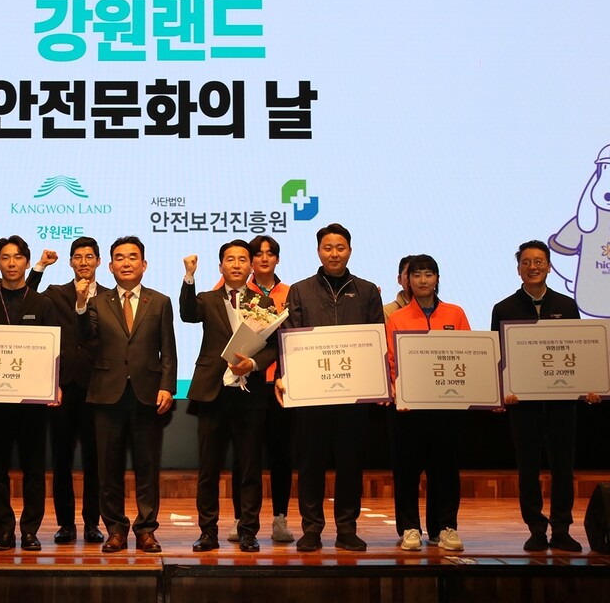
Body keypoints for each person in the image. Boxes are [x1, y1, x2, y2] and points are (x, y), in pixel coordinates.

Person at [275, 223, 383, 552]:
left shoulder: (367, 291)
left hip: (354, 393)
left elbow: (377, 339)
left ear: (349, 250)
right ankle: (312, 528)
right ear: (318, 251)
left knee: (350, 463)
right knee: (310, 463)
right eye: (327, 247)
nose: (334, 253)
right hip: (312, 393)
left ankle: (347, 528)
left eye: (340, 247)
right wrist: (284, 375)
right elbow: (289, 337)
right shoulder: (300, 290)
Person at [491, 240, 600, 553]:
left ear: (549, 267)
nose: (533, 267)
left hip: (561, 404)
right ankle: (536, 529)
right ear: (518, 269)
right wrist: (502, 391)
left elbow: (578, 350)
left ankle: (562, 529)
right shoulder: (504, 308)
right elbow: (498, 357)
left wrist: (589, 385)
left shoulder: (567, 306)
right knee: (527, 468)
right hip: (523, 406)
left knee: (563, 468)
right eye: (526, 262)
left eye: (539, 261)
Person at [77, 235, 177, 554]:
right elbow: (86, 337)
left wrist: (167, 386)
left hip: (148, 395)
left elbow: (168, 349)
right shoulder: (96, 302)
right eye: (119, 258)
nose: (126, 263)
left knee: (147, 467)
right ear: (110, 266)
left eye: (133, 257)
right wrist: (80, 305)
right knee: (109, 468)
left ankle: (146, 530)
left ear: (144, 264)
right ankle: (116, 530)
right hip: (107, 394)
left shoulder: (160, 301)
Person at [181, 240, 278, 554]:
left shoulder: (264, 302)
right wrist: (189, 276)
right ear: (221, 266)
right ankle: (208, 532)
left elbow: (273, 346)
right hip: (213, 392)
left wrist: (254, 364)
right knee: (209, 469)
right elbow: (187, 314)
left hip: (249, 393)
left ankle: (248, 531)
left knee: (249, 468)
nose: (236, 265)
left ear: (251, 266)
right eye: (230, 260)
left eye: (242, 259)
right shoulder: (207, 299)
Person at [0, 235, 59, 551]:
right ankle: (2, 530)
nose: (11, 263)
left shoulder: (42, 303)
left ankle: (30, 530)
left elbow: (54, 349)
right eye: (5, 257)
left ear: (27, 262)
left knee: (34, 469)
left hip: (33, 401)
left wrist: (54, 384)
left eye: (17, 257)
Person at [385, 254, 471, 553]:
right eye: (417, 275)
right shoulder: (396, 318)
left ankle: (444, 527)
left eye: (428, 274)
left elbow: (468, 354)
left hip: (447, 406)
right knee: (406, 470)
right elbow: (391, 361)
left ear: (437, 279)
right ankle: (409, 527)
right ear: (407, 281)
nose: (423, 280)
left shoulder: (455, 314)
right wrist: (397, 389)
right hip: (407, 408)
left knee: (445, 468)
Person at [42, 237, 105, 545]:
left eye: (89, 256)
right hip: (63, 387)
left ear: (98, 262)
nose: (83, 262)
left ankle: (93, 523)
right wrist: (39, 267)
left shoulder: (109, 297)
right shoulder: (54, 294)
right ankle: (66, 524)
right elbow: (26, 299)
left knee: (95, 461)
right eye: (78, 257)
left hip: (97, 388)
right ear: (70, 262)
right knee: (62, 459)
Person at [383, 256, 413, 322]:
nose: (412, 278)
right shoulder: (387, 312)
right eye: (408, 273)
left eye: (417, 274)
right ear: (399, 279)